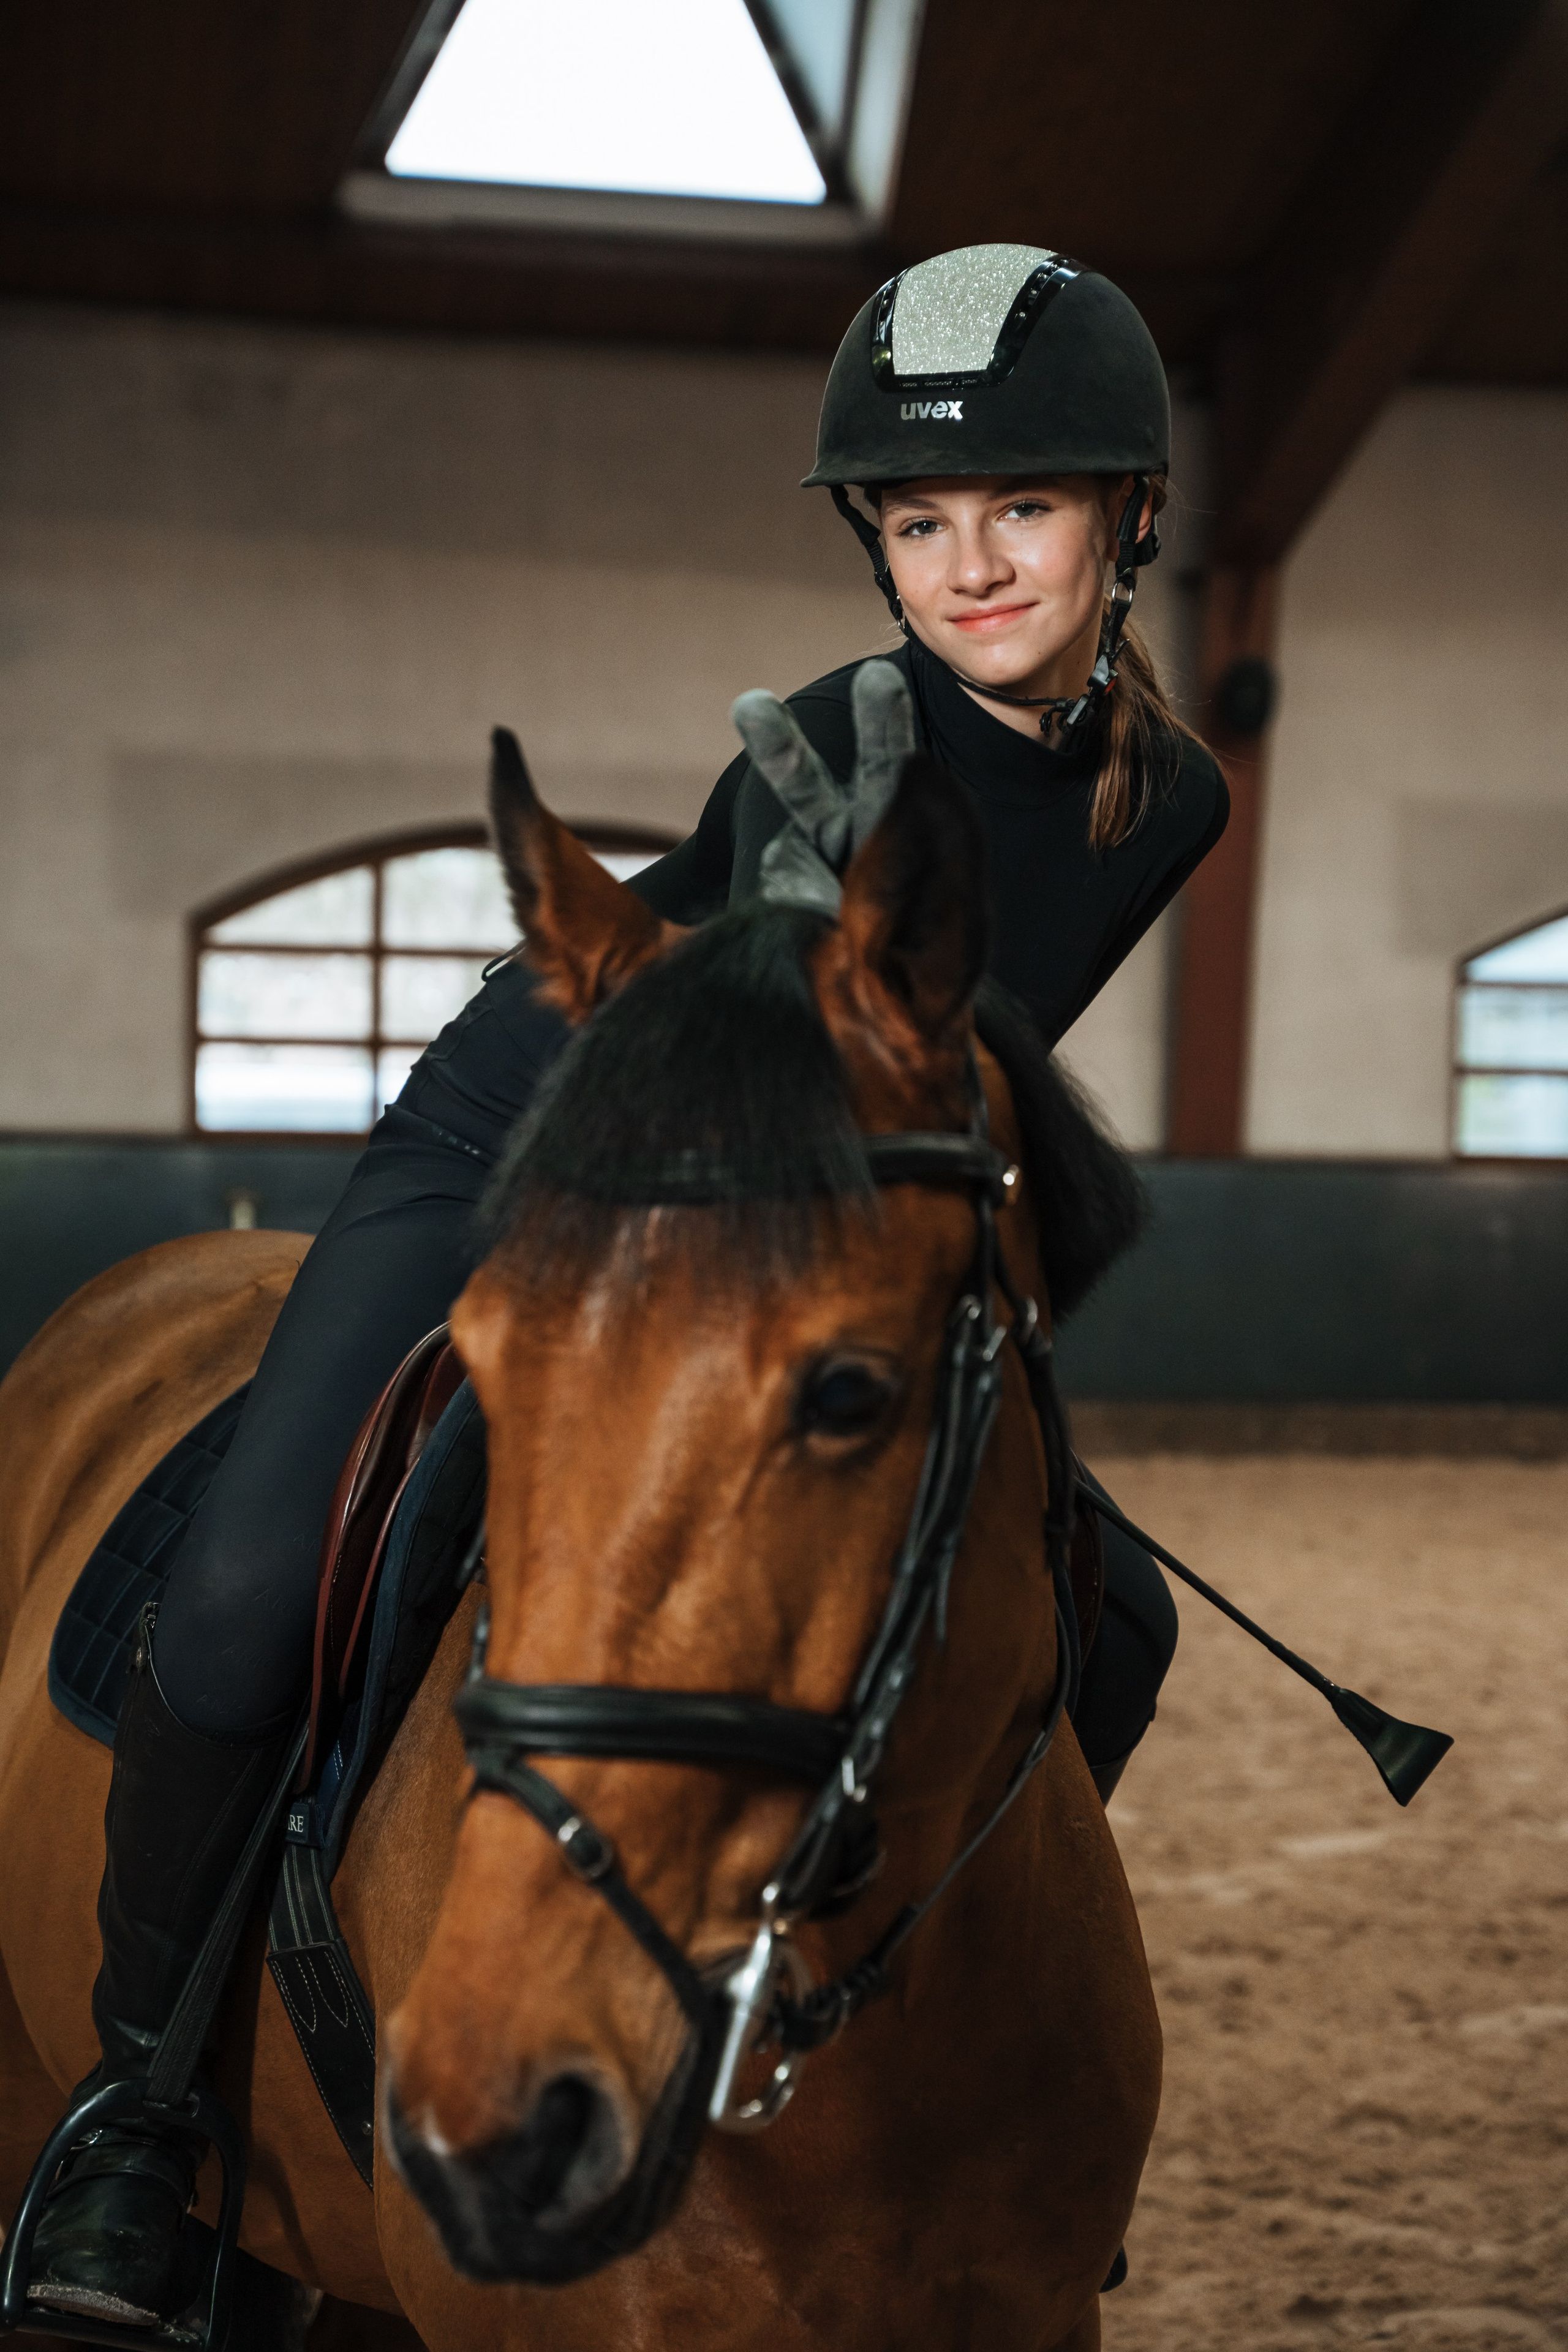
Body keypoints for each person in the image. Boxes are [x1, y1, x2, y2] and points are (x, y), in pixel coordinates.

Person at [24, 243, 1226, 2325]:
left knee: (1097, 1612)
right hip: (538, 1130)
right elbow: (745, 1101)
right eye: (920, 524)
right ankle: (137, 2127)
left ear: (1130, 518)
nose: (969, 568)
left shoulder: (1170, 801)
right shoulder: (841, 750)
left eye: (1018, 510)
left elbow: (955, 1093)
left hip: (773, 1213)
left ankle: (908, 2030)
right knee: (233, 1609)